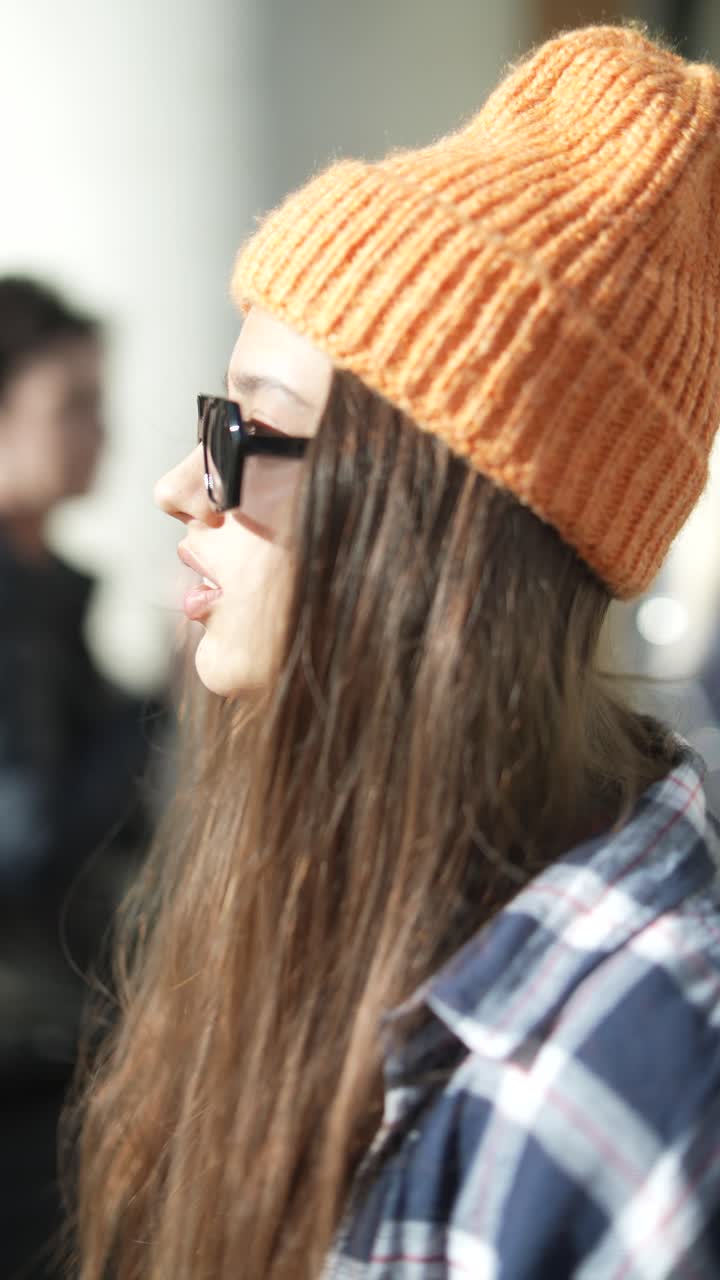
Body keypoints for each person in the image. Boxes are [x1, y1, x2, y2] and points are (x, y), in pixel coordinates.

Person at [74, 25, 720, 1280]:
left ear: (445, 525)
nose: (180, 486)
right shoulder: (361, 901)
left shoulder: (648, 1069)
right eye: (214, 418)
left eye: (252, 431)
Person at [0, 277, 162, 1279]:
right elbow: (21, 839)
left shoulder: (47, 591)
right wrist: (157, 710)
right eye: (73, 404)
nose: (102, 433)